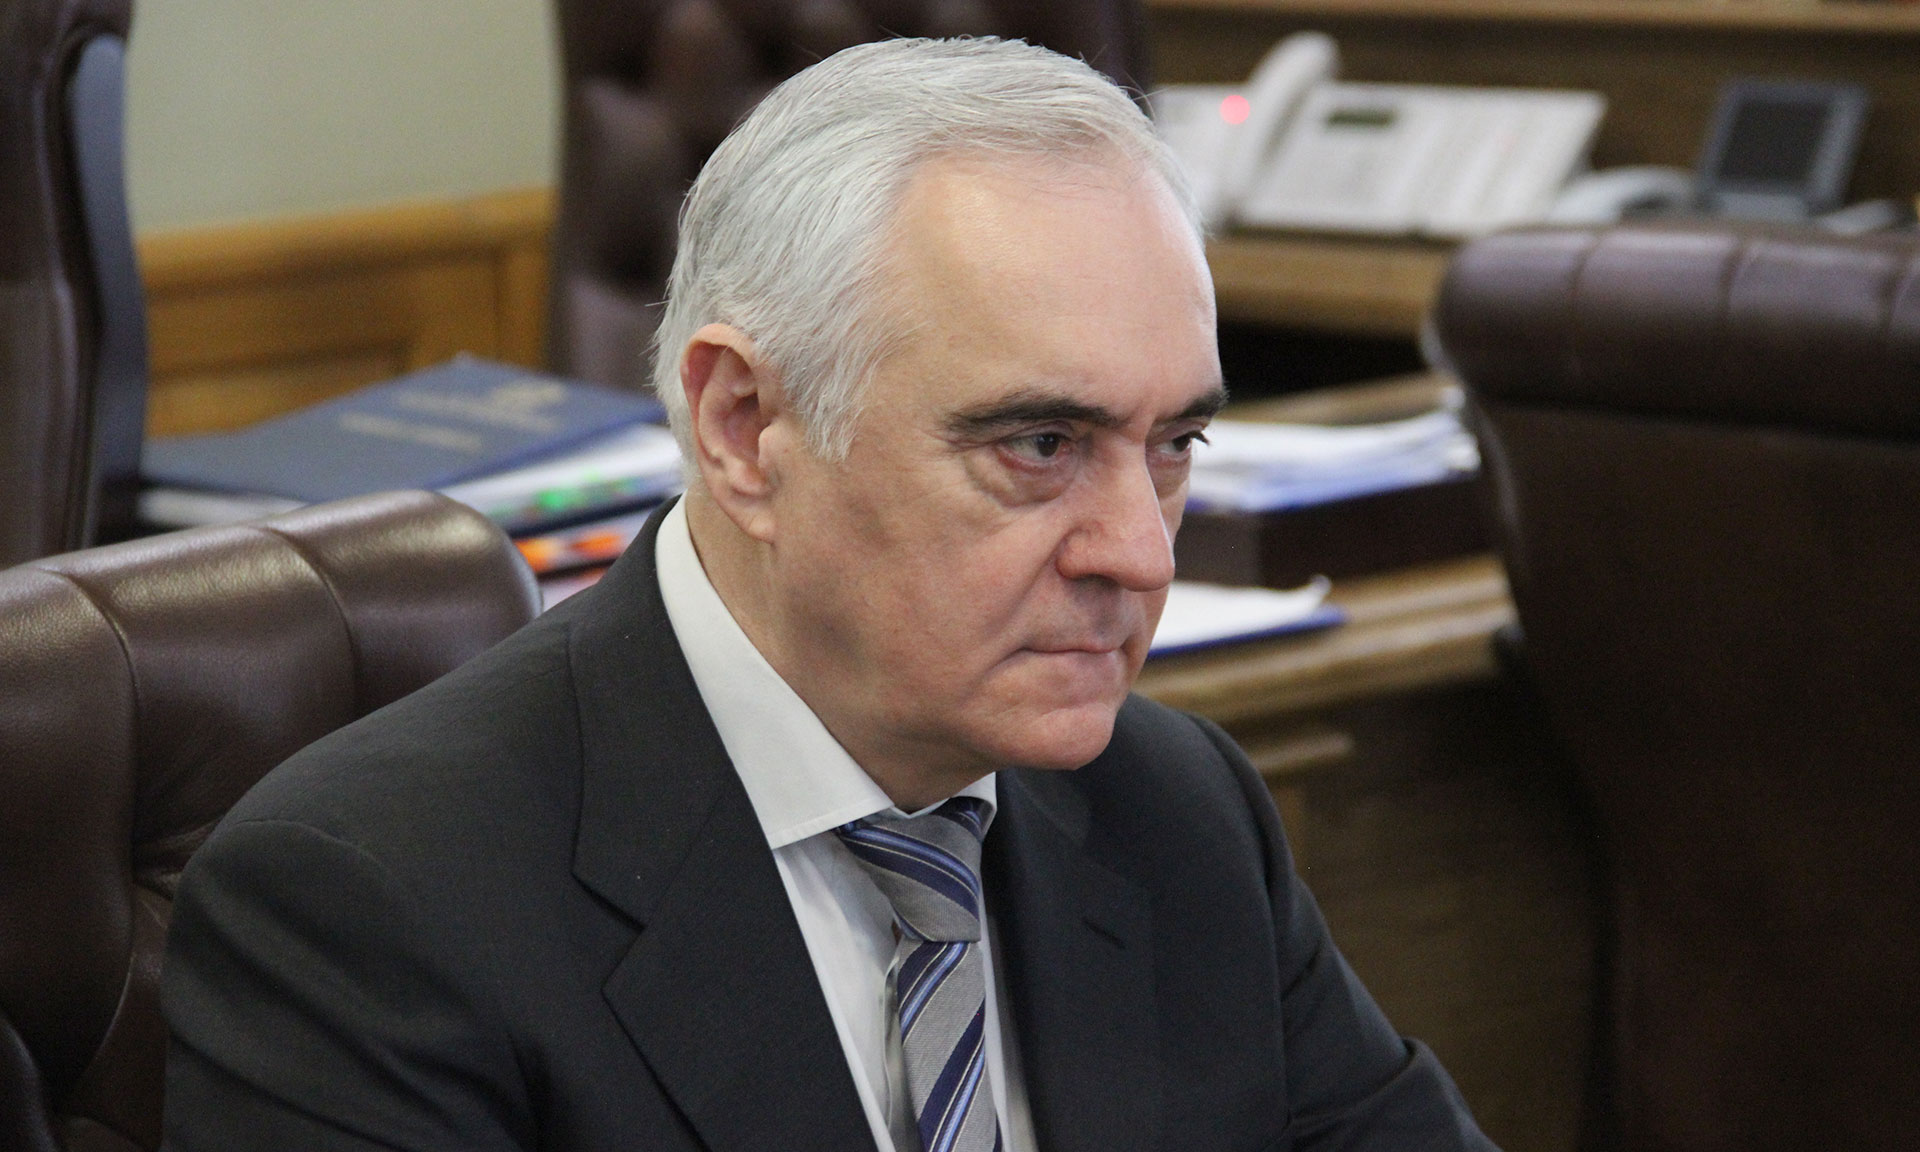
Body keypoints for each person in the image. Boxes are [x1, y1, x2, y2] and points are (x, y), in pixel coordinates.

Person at [161, 37, 1497, 1152]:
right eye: (1040, 446)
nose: (1142, 553)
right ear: (744, 429)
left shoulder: (1174, 810)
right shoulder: (374, 908)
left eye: (1174, 445)